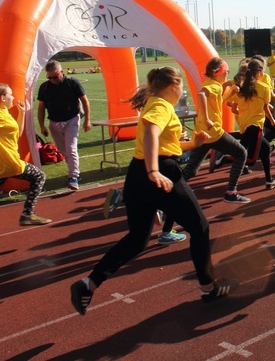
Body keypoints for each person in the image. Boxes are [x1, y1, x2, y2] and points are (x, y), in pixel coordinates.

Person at [69, 67, 239, 316]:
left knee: (137, 239)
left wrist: (194, 144)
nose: (182, 92)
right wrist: (154, 172)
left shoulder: (152, 103)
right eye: (181, 88)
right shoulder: (161, 106)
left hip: (137, 174)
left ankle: (88, 284)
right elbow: (150, 132)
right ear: (174, 86)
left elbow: (162, 143)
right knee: (199, 226)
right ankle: (208, 286)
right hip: (157, 173)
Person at [181, 57, 249, 203]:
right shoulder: (213, 86)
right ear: (220, 72)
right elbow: (201, 94)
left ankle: (165, 192)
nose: (227, 74)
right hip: (213, 133)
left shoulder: (212, 84)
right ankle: (231, 192)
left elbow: (218, 100)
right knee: (241, 153)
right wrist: (206, 119)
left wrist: (230, 93)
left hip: (202, 133)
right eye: (227, 72)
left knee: (191, 169)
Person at [0, 84, 51, 225]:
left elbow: (17, 134)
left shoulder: (5, 112)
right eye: (10, 94)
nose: (13, 97)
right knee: (39, 176)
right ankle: (27, 214)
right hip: (9, 163)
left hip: (5, 165)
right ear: (2, 98)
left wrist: (21, 113)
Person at [37, 60, 91, 190]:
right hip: (54, 122)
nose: (53, 80)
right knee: (64, 151)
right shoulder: (44, 87)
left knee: (71, 148)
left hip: (72, 119)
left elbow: (85, 101)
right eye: (49, 77)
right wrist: (42, 126)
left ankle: (73, 176)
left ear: (62, 72)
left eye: (55, 77)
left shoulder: (72, 83)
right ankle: (75, 172)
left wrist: (87, 120)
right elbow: (41, 108)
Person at [235, 59, 275, 190]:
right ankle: (224, 158)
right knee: (250, 159)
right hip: (255, 125)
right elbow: (266, 107)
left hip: (245, 124)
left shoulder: (242, 87)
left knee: (265, 149)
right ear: (259, 72)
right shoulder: (263, 87)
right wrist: (272, 120)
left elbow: (233, 104)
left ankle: (269, 180)